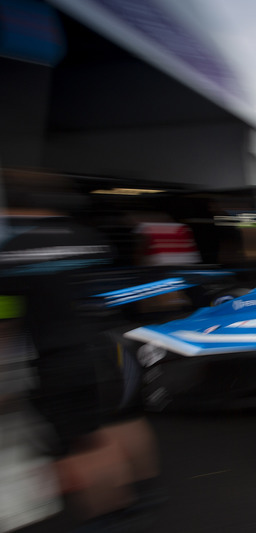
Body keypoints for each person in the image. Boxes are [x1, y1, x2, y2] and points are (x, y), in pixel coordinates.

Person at [0, 170, 162, 531]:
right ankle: (145, 496)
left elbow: (6, 321)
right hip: (113, 348)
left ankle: (107, 518)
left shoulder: (10, 254)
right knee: (125, 420)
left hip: (62, 359)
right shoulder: (90, 238)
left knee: (86, 444)